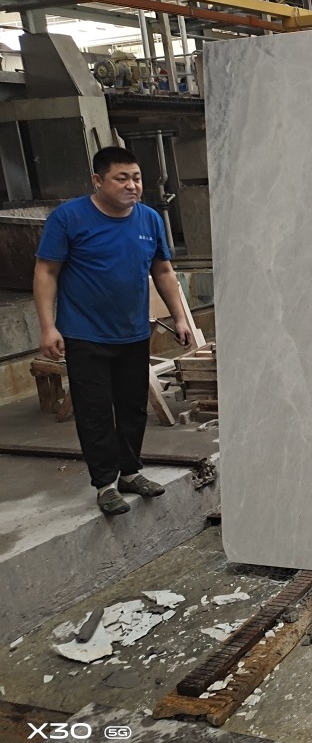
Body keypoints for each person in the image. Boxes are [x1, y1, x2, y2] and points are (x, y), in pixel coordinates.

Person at [33, 146, 193, 515]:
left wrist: (180, 317)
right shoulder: (69, 218)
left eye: (136, 178)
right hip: (84, 334)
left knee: (133, 407)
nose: (132, 185)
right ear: (98, 180)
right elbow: (46, 271)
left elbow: (163, 271)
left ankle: (130, 472)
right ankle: (105, 483)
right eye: (122, 178)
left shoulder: (149, 219)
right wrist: (47, 326)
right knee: (95, 411)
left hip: (133, 333)